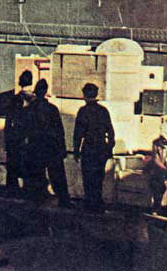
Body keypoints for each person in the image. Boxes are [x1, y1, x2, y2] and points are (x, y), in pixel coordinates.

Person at [25, 78, 70, 207]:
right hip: (51, 147)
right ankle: (63, 200)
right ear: (45, 91)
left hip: (34, 147)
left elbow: (24, 129)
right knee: (57, 176)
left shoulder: (29, 109)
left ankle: (36, 199)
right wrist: (62, 148)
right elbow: (60, 131)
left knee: (35, 176)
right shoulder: (52, 109)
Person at [73, 82, 115, 212]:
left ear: (85, 95)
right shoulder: (103, 111)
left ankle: (90, 204)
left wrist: (76, 150)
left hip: (89, 148)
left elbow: (78, 134)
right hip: (101, 148)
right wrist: (109, 149)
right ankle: (97, 203)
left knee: (88, 177)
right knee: (98, 177)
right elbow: (111, 132)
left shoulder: (83, 111)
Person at [4, 69, 35, 196]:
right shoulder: (34, 100)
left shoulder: (14, 99)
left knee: (12, 167)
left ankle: (12, 191)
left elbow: (8, 121)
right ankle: (29, 192)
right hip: (30, 139)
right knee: (29, 167)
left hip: (14, 138)